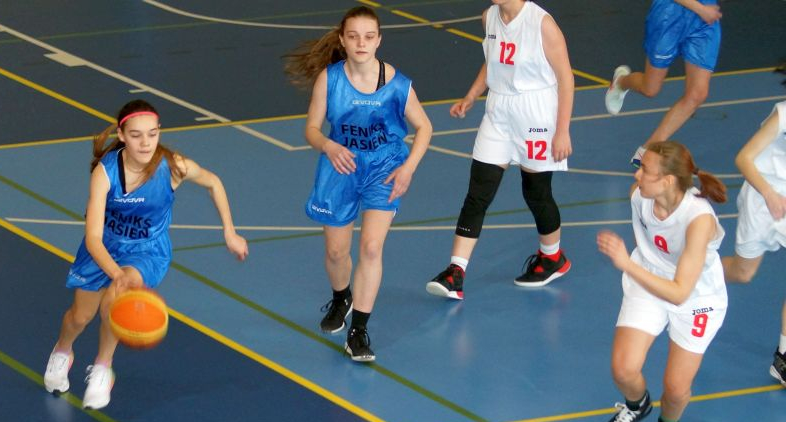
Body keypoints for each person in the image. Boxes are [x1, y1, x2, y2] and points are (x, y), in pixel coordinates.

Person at [43, 100, 249, 410]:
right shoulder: (105, 173)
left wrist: (229, 231)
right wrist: (115, 272)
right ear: (122, 135)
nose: (145, 143)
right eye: (136, 135)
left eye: (152, 134)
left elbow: (213, 183)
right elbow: (93, 238)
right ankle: (62, 351)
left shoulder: (174, 166)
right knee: (79, 317)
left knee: (115, 299)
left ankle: (103, 367)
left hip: (147, 251)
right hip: (104, 248)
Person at [284, 6, 432, 362]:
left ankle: (359, 331)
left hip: (384, 168)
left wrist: (408, 168)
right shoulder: (329, 80)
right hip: (340, 165)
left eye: (368, 37)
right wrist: (329, 145)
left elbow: (425, 127)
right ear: (343, 40)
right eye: (353, 37)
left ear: (379, 40)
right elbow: (311, 129)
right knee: (337, 252)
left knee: (370, 248)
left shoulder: (397, 84)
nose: (361, 43)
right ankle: (341, 297)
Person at [425, 0, 574, 301]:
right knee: (478, 191)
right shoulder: (489, 17)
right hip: (499, 110)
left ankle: (552, 257)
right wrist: (471, 95)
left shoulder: (542, 24)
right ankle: (456, 272)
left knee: (536, 192)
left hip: (536, 112)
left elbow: (566, 78)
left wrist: (562, 130)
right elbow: (493, 60)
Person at [597, 141, 728, 422]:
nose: (637, 175)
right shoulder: (639, 196)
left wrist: (625, 263)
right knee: (623, 370)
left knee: (676, 389)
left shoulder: (699, 220)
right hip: (648, 280)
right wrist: (636, 267)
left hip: (695, 297)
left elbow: (680, 292)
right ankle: (636, 405)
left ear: (668, 181)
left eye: (645, 170)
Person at [720, 66, 786, 385]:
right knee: (742, 273)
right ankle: (689, 271)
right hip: (763, 196)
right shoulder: (783, 114)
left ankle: (783, 356)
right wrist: (770, 194)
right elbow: (743, 158)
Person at [604, 0, 722, 167]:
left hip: (703, 21)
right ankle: (621, 81)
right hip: (670, 15)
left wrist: (703, 10)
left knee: (697, 94)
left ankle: (648, 150)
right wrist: (700, 9)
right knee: (650, 89)